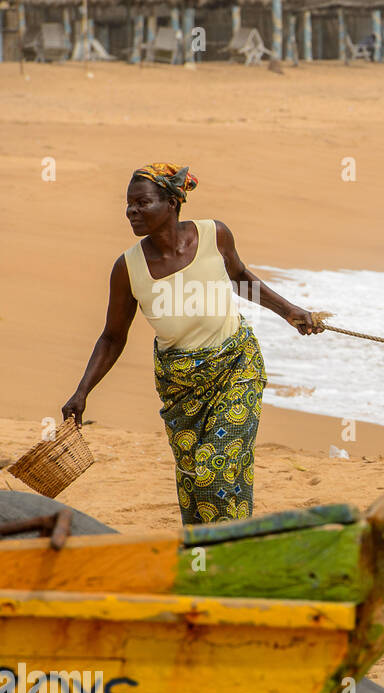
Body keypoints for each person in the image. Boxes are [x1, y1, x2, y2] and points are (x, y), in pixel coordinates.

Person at [62, 163, 324, 525]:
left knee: (213, 476)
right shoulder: (128, 268)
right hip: (180, 387)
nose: (131, 211)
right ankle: (217, 554)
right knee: (194, 485)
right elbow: (112, 336)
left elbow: (240, 278)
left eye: (142, 203)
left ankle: (226, 550)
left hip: (236, 369)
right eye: (128, 204)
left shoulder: (214, 235)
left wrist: (290, 312)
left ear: (172, 202)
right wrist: (82, 391)